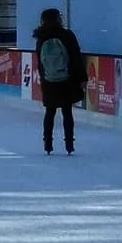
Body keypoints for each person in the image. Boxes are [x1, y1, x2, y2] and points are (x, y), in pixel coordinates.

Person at [32, 8, 85, 156]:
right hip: (66, 78)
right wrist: (82, 78)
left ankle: (47, 144)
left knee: (50, 112)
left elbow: (40, 61)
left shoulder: (41, 36)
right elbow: (76, 56)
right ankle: (69, 144)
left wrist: (43, 77)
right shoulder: (67, 35)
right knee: (67, 112)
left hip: (48, 80)